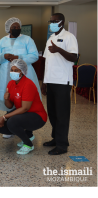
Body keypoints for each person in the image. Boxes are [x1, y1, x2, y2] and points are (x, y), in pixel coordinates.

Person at [0, 17, 41, 139]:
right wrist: (4, 55)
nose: (16, 29)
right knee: (9, 97)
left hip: (25, 73)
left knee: (25, 99)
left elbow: (34, 56)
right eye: (14, 27)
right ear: (8, 28)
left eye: (18, 27)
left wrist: (18, 56)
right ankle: (10, 129)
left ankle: (28, 132)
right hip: (6, 74)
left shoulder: (27, 40)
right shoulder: (2, 41)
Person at [41, 13, 78, 155]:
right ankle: (56, 138)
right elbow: (47, 62)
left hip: (62, 81)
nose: (51, 23)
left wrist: (59, 50)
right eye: (50, 21)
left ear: (62, 22)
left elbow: (74, 57)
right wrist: (44, 82)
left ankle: (62, 145)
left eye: (54, 21)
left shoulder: (69, 37)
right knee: (53, 112)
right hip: (50, 80)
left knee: (62, 114)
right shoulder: (51, 38)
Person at [0, 59, 47, 155]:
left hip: (38, 116)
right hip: (25, 114)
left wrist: (4, 117)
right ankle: (28, 135)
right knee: (0, 126)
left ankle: (28, 144)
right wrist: (6, 99)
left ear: (22, 72)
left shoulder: (28, 84)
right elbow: (10, 106)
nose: (13, 72)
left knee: (12, 121)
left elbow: (25, 108)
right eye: (12, 70)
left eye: (16, 70)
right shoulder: (11, 83)